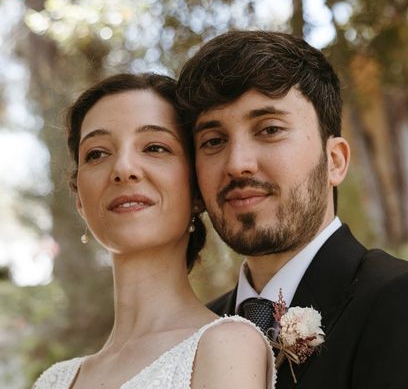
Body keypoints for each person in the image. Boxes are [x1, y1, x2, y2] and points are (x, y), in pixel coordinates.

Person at [176, 31, 408, 388]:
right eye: (213, 141)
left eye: (270, 129)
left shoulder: (407, 305)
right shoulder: (198, 330)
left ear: (335, 162)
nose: (237, 164)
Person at [33, 73, 275, 389]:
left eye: (155, 147)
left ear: (197, 189)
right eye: (97, 153)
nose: (123, 169)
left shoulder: (227, 346)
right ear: (80, 198)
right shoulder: (54, 381)